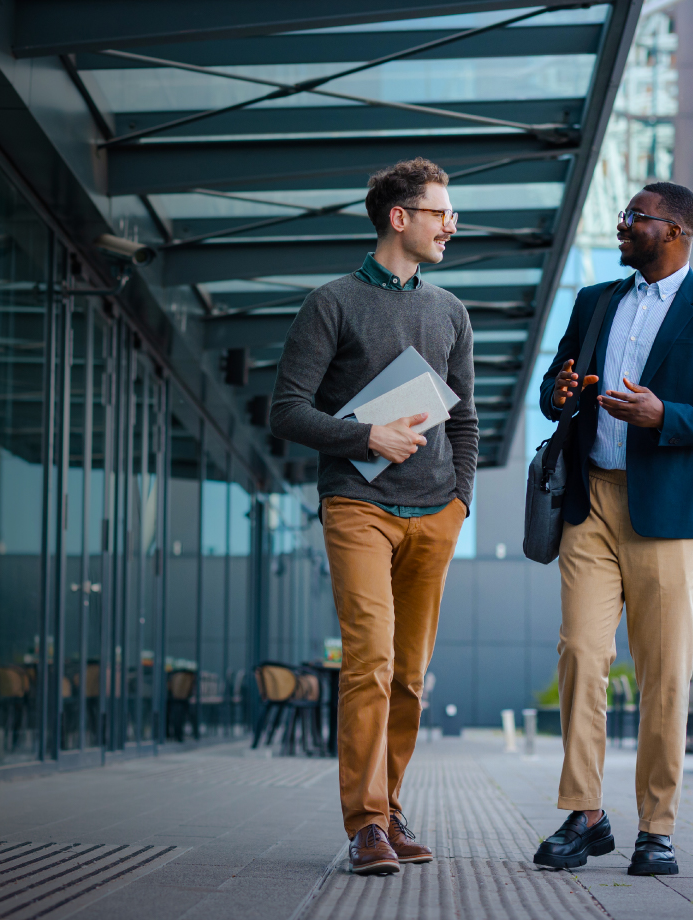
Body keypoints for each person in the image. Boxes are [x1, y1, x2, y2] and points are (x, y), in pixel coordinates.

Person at [533, 182, 693, 876]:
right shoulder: (596, 300)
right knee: (580, 653)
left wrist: (668, 417)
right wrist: (559, 394)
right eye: (625, 216)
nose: (622, 224)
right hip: (589, 504)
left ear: (679, 230)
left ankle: (656, 827)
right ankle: (584, 813)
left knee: (664, 675)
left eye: (636, 217)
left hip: (666, 514)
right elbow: (553, 388)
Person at [270, 158, 478, 876]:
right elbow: (287, 409)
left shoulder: (451, 311)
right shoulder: (331, 302)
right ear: (400, 217)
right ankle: (364, 825)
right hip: (357, 506)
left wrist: (461, 503)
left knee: (412, 676)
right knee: (371, 663)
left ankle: (389, 809)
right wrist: (367, 437)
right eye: (441, 212)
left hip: (434, 513)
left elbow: (467, 420)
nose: (452, 224)